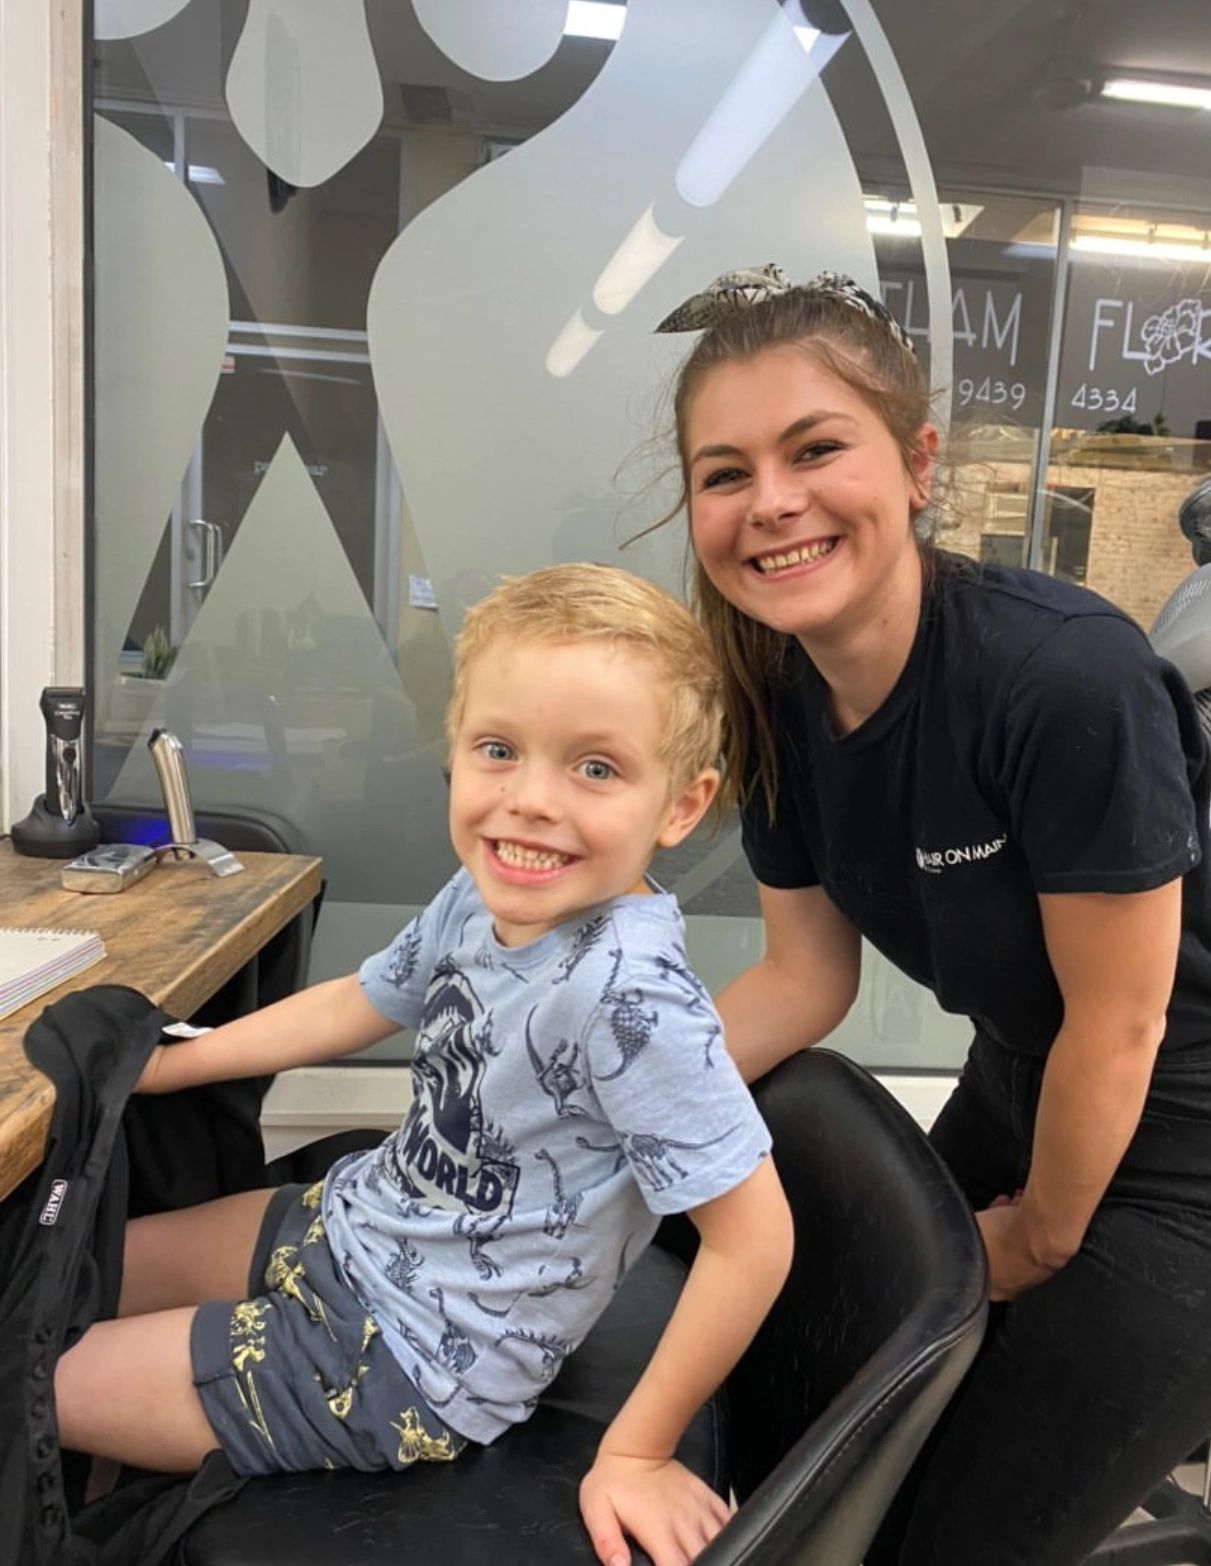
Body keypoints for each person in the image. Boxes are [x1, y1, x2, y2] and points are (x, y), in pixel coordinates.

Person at [54, 563, 793, 1566]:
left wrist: (638, 1451)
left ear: (680, 805)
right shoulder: (484, 889)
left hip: (410, 1361)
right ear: (454, 755)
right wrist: (170, 1065)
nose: (528, 802)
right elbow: (365, 997)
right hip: (355, 1224)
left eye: (594, 768)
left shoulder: (627, 1001)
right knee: (65, 1269)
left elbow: (754, 1241)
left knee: (30, 1385)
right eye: (498, 750)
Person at [656, 264, 1211, 1566]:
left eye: (813, 448)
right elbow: (802, 978)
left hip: (1178, 1154)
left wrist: (1035, 1231)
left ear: (914, 463)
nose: (770, 500)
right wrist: (613, 1109)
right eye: (723, 470)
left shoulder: (1056, 674)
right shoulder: (774, 691)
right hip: (1023, 1079)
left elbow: (1121, 1021)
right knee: (807, 1467)